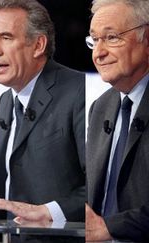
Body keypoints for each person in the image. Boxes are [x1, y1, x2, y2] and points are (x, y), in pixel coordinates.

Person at [0, 0, 85, 223]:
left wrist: (51, 212)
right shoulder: (5, 100)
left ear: (39, 45)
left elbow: (101, 185)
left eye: (6, 38)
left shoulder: (79, 91)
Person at [85, 0, 149, 241]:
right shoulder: (100, 108)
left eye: (111, 37)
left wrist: (111, 227)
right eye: (94, 40)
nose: (99, 53)